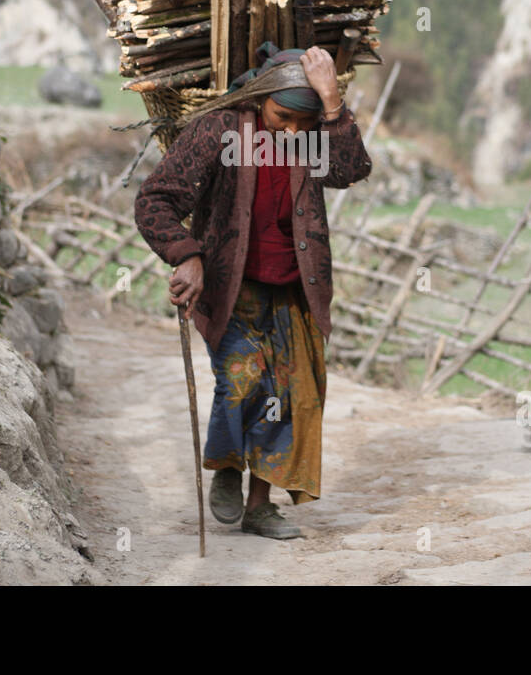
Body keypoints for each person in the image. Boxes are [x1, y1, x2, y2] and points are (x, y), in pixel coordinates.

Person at [134, 43, 372, 539]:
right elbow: (156, 199)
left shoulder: (310, 137)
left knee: (290, 395)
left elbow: (352, 170)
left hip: (295, 287)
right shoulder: (220, 131)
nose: (290, 131)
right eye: (282, 116)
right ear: (261, 97)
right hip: (231, 281)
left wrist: (331, 102)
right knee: (244, 377)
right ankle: (227, 466)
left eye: (301, 123)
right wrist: (186, 254)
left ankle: (260, 506)